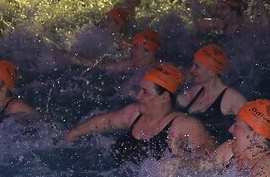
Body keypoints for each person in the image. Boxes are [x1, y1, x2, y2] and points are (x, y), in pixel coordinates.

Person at [65, 64, 215, 165]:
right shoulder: (134, 113)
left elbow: (210, 153)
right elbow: (107, 121)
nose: (138, 96)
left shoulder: (183, 124)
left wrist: (182, 160)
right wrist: (75, 133)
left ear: (164, 97)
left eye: (145, 92)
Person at [176, 45, 247, 131]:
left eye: (197, 66)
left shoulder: (233, 99)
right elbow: (172, 105)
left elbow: (248, 129)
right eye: (193, 65)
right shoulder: (195, 91)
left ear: (212, 72)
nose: (191, 70)